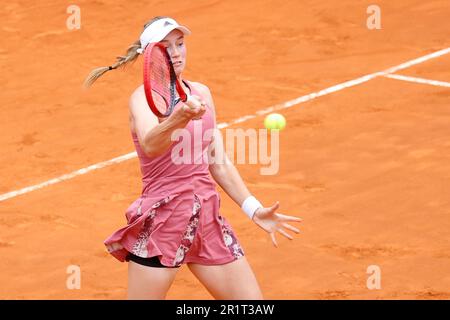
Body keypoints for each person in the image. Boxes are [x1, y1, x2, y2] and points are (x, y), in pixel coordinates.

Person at [84, 16, 302, 300]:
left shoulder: (202, 94)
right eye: (165, 47)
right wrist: (179, 118)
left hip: (206, 219)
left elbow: (217, 159)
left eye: (180, 44)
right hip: (163, 221)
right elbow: (150, 143)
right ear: (151, 56)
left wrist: (253, 209)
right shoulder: (141, 99)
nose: (175, 53)